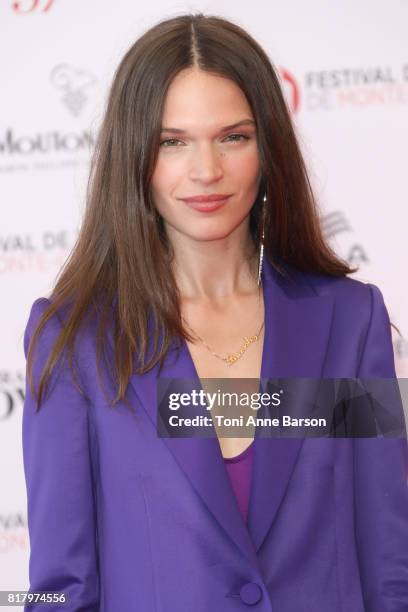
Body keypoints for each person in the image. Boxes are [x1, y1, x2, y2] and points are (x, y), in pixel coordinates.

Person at [22, 12, 408, 612]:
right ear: (136, 159)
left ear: (268, 147)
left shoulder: (350, 322)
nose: (206, 170)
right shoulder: (76, 340)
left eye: (233, 136)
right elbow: (59, 592)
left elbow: (391, 563)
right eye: (172, 142)